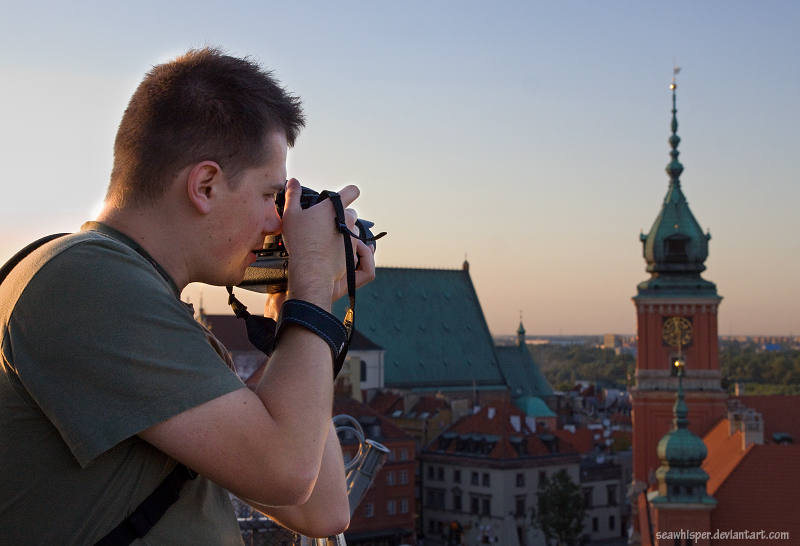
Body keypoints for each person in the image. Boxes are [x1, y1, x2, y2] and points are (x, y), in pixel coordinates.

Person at [0, 47, 375, 545]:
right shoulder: (83, 283)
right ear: (205, 185)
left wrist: (300, 304)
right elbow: (286, 472)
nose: (277, 222)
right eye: (269, 196)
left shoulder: (146, 310)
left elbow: (320, 508)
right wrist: (309, 283)